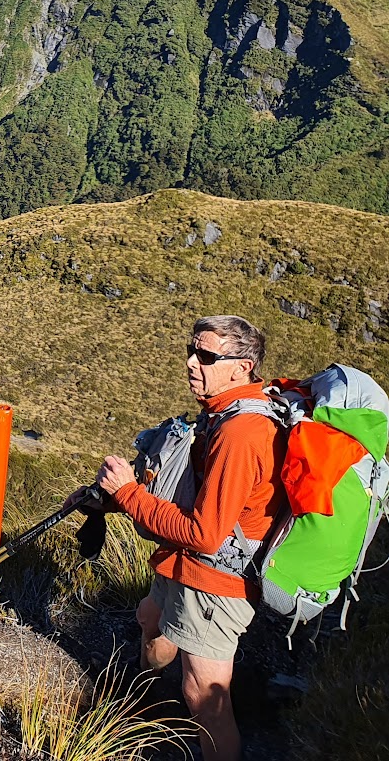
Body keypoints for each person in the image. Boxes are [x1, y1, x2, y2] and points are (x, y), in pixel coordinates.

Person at [95, 315, 287, 761]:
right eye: (192, 349)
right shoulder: (225, 412)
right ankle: (147, 708)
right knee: (150, 619)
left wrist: (126, 493)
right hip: (184, 564)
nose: (190, 362)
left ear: (242, 367)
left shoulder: (241, 434)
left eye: (205, 356)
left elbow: (204, 533)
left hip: (215, 582)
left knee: (204, 696)